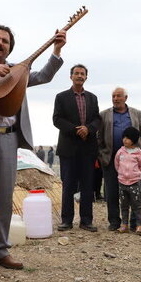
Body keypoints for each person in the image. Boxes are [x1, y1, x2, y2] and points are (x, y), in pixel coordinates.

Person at [0, 25, 66, 273]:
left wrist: (57, 50)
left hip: (9, 140)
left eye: (5, 41)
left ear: (9, 47)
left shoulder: (19, 72)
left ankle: (0, 251)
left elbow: (44, 76)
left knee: (6, 199)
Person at [53, 64, 101, 232]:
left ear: (86, 77)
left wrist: (88, 129)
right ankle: (66, 220)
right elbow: (57, 119)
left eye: (82, 74)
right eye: (77, 73)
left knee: (88, 186)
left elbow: (97, 119)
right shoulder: (61, 97)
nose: (80, 76)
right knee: (68, 186)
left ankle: (86, 221)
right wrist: (76, 130)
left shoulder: (93, 98)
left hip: (88, 148)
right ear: (71, 76)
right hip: (68, 148)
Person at [98, 87, 141, 231]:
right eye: (113, 96)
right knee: (112, 192)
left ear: (126, 98)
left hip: (133, 162)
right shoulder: (104, 115)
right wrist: (101, 154)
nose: (115, 99)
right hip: (111, 159)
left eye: (119, 96)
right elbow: (99, 137)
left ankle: (134, 223)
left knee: (134, 194)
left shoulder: (136, 113)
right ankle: (114, 222)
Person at [114, 127, 141, 235]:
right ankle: (124, 225)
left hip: (134, 182)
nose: (125, 140)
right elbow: (117, 164)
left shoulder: (138, 153)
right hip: (122, 182)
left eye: (128, 138)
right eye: (124, 137)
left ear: (134, 139)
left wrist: (136, 175)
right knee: (123, 205)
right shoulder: (120, 151)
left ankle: (139, 226)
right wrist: (121, 173)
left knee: (137, 205)